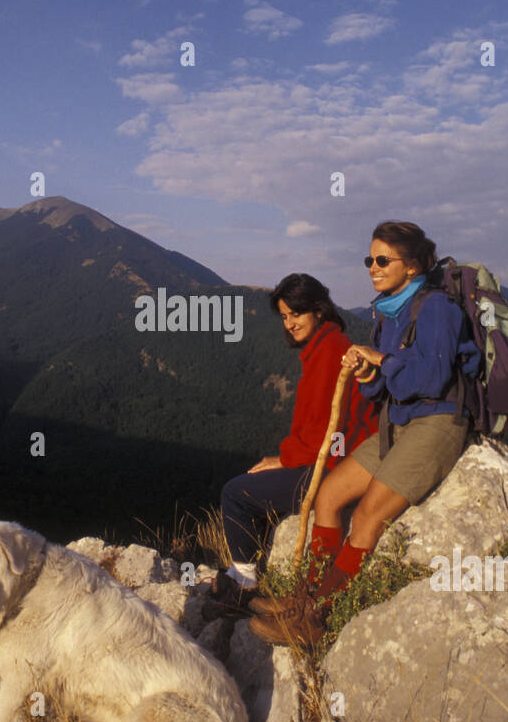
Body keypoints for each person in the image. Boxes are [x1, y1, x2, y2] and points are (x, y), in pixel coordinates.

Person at [248, 222, 481, 647]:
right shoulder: (389, 312)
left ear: (411, 267)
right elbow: (384, 386)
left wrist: (382, 359)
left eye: (382, 260)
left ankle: (315, 619)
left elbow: (432, 377)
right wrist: (368, 372)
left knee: (370, 514)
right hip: (398, 421)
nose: (372, 267)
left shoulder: (437, 309)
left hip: (438, 421)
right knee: (329, 496)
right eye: (368, 260)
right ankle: (306, 597)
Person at [199, 273, 378, 619]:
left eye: (296, 313)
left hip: (332, 466)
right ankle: (249, 575)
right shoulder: (326, 346)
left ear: (318, 310)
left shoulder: (330, 352)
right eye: (284, 316)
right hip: (334, 459)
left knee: (236, 493)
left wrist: (284, 459)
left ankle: (244, 585)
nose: (290, 323)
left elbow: (331, 433)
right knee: (256, 488)